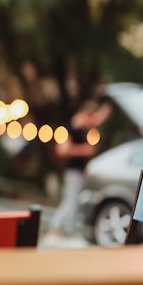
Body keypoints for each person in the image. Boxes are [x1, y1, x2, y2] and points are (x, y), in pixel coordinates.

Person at [42, 98, 112, 248]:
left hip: (79, 172)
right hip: (72, 172)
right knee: (70, 202)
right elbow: (62, 150)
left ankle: (63, 231)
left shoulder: (82, 130)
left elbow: (99, 118)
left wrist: (108, 105)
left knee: (72, 201)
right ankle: (59, 230)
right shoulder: (71, 129)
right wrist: (84, 151)